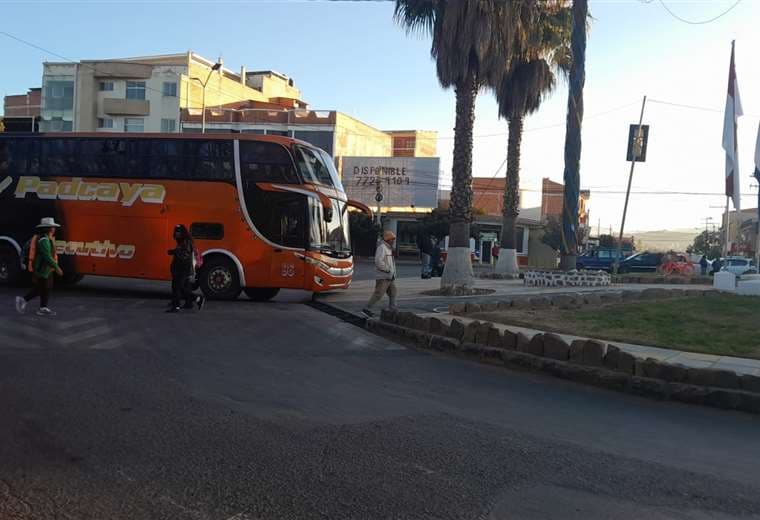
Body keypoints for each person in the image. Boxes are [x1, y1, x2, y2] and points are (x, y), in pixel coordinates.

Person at [15, 217, 63, 316]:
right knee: (42, 288)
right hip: (42, 269)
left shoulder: (46, 238)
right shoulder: (44, 240)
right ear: (48, 228)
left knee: (45, 287)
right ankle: (24, 300)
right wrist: (57, 268)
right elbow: (47, 257)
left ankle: (42, 307)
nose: (54, 229)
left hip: (46, 268)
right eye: (52, 227)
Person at [167, 224, 205, 313]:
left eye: (179, 231)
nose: (176, 233)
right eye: (176, 231)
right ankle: (189, 303)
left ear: (183, 232)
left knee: (177, 287)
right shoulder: (183, 241)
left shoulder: (185, 242)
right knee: (184, 287)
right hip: (183, 269)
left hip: (182, 269)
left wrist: (175, 252)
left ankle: (178, 306)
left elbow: (185, 256)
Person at [362, 231, 397, 317]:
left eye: (393, 239)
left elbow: (391, 262)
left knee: (393, 292)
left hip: (389, 276)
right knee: (378, 294)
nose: (393, 241)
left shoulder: (388, 248)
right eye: (392, 239)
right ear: (387, 239)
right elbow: (378, 261)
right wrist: (387, 270)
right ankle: (367, 309)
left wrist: (392, 273)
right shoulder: (382, 248)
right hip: (383, 276)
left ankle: (392, 309)